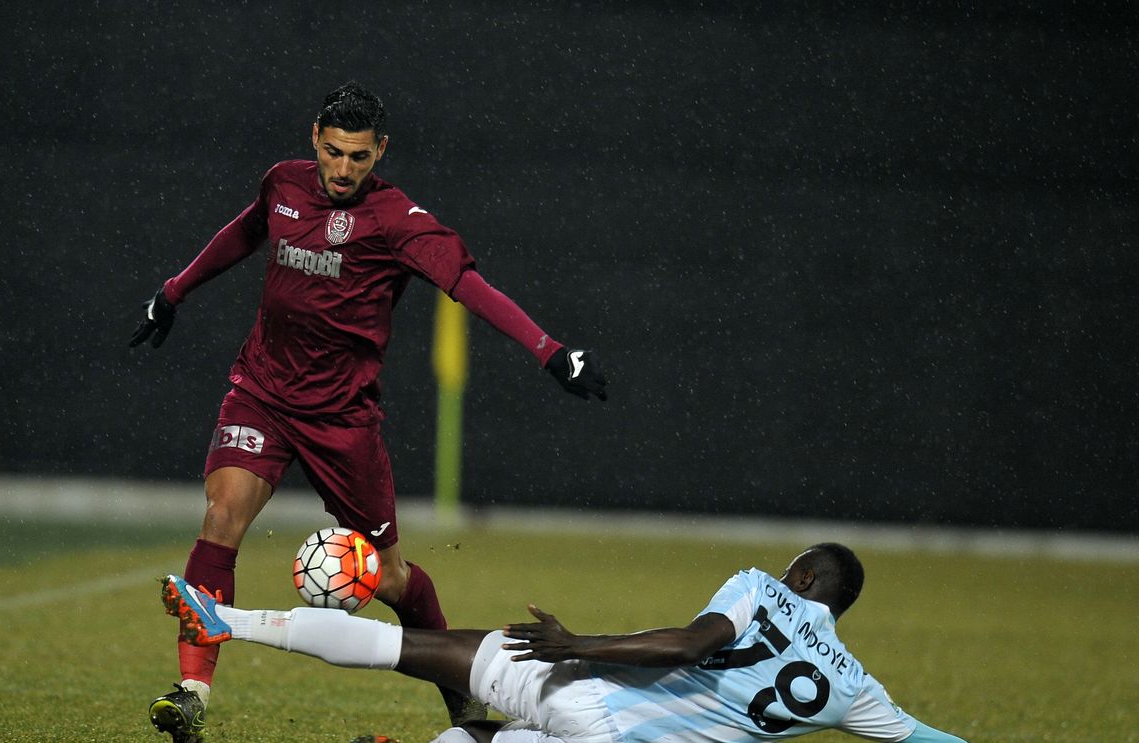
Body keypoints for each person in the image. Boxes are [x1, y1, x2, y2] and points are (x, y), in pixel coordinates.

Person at [130, 81, 607, 742]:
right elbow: (244, 231)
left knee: (391, 577)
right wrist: (174, 290)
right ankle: (191, 690)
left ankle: (462, 690)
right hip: (262, 392)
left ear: (380, 150)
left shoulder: (399, 221)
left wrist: (550, 351)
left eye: (359, 155)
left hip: (341, 419)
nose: (344, 168)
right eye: (333, 152)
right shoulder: (283, 185)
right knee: (220, 516)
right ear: (314, 142)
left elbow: (469, 288)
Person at [157, 542, 966, 743]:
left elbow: (690, 643)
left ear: (807, 576)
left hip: (589, 691)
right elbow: (935, 739)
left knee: (426, 648)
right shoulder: (855, 686)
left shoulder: (764, 587)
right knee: (477, 734)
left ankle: (231, 620)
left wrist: (579, 642)